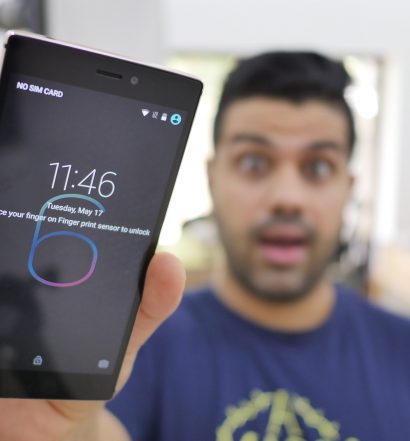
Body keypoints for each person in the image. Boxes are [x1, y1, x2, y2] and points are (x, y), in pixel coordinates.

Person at [106, 52, 410, 440]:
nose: (287, 198)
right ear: (213, 179)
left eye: (318, 167)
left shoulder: (402, 350)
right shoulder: (137, 351)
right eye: (253, 163)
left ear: (347, 189)